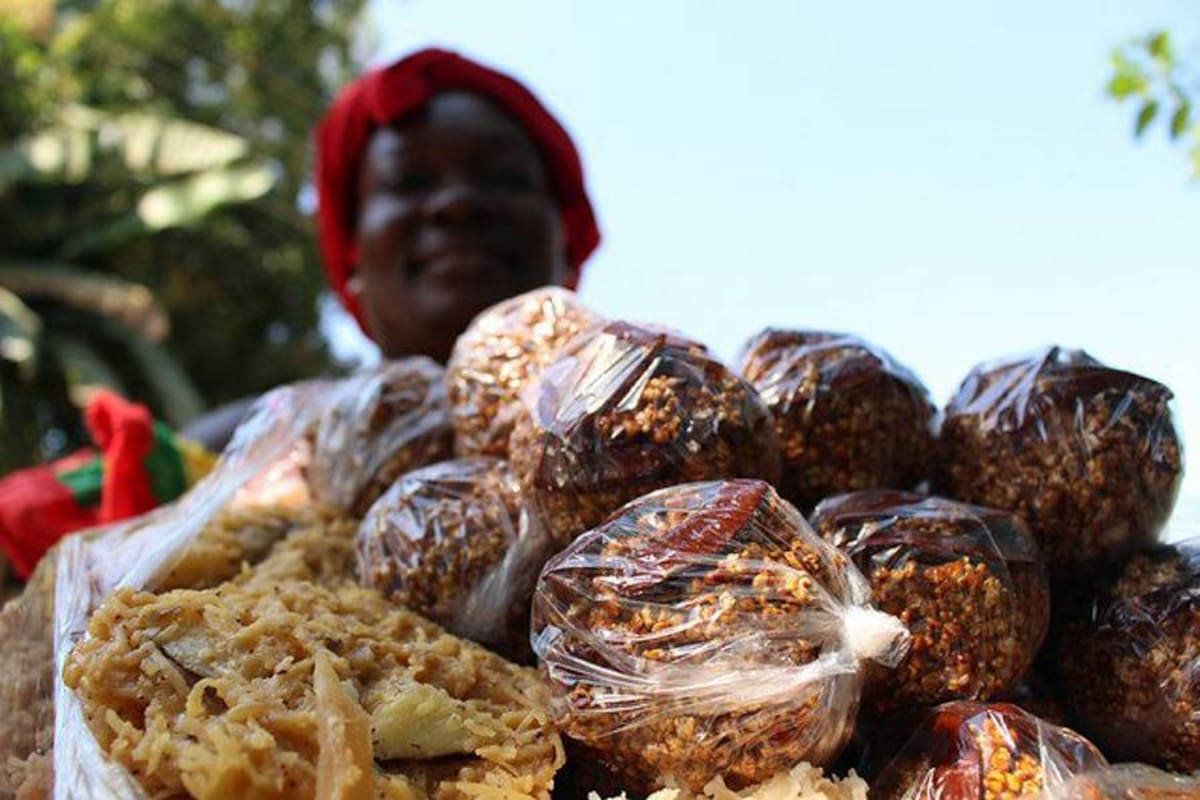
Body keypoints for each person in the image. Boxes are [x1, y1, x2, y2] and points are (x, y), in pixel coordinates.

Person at [184, 47, 601, 451]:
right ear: (353, 257)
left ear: (565, 237)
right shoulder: (240, 453)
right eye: (409, 182)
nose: (457, 204)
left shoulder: (649, 426)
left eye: (504, 177)